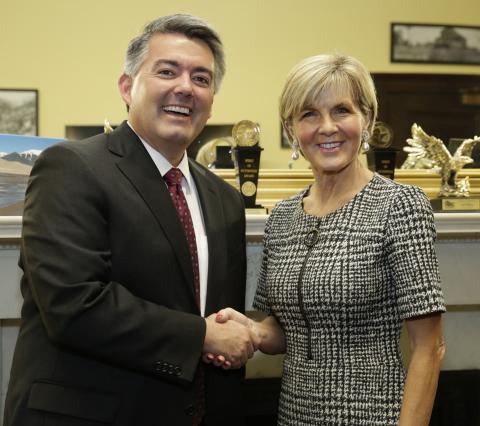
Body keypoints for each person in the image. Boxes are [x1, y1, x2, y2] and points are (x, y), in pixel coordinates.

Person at [4, 14, 256, 426]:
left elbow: (219, 321)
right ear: (127, 87)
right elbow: (73, 304)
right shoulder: (71, 168)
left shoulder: (225, 199)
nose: (184, 88)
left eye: (201, 78)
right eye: (167, 71)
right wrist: (202, 335)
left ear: (211, 103)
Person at [210, 54, 446, 425]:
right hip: (294, 415)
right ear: (291, 131)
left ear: (366, 119)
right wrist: (252, 331)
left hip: (374, 416)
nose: (327, 127)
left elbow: (429, 347)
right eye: (309, 114)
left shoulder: (401, 206)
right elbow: (285, 330)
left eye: (341, 110)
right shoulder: (282, 218)